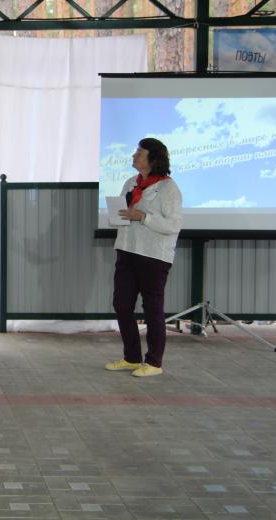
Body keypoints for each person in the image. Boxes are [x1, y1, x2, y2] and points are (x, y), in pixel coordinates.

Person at [106, 137, 182, 378]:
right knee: (122, 304)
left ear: (153, 159)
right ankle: (131, 357)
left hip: (154, 256)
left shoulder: (168, 188)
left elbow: (173, 225)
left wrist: (143, 217)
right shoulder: (131, 183)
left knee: (152, 308)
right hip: (127, 250)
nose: (134, 156)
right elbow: (121, 214)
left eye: (139, 153)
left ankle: (154, 362)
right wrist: (117, 215)